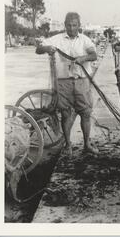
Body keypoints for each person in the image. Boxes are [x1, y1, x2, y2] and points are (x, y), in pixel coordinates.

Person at [36, 12, 98, 155]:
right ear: (65, 25)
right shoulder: (56, 39)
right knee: (65, 114)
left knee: (86, 114)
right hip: (63, 83)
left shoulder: (85, 40)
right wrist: (46, 48)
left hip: (81, 81)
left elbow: (93, 55)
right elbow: (38, 49)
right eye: (69, 25)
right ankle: (68, 145)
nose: (71, 28)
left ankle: (87, 144)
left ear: (79, 25)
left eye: (74, 25)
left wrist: (84, 58)